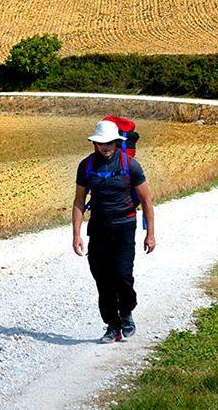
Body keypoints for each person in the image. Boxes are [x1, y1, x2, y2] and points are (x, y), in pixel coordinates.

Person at [72, 118, 156, 344]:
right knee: (102, 280)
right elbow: (79, 202)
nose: (105, 147)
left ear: (117, 142)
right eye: (101, 143)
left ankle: (127, 311)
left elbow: (147, 200)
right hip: (98, 229)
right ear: (95, 144)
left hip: (124, 228)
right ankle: (112, 325)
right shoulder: (86, 166)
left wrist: (150, 234)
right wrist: (76, 235)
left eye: (109, 142)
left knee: (122, 276)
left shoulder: (131, 165)